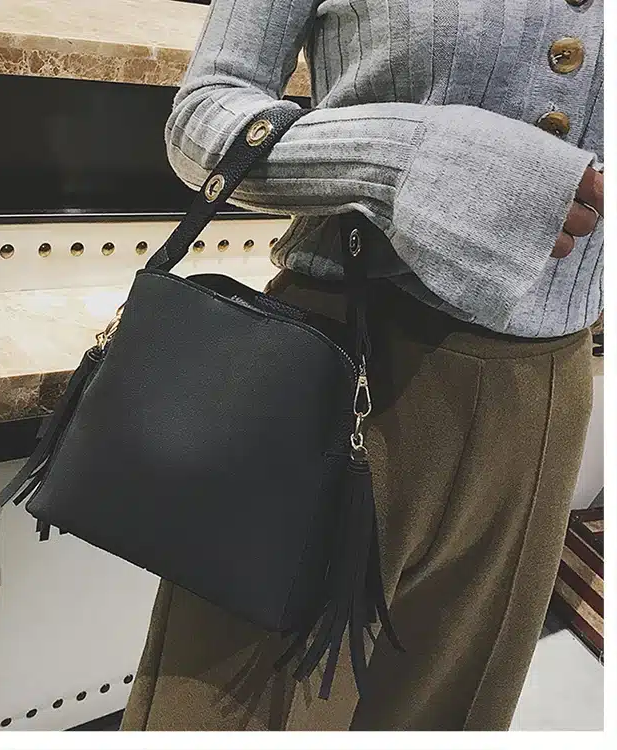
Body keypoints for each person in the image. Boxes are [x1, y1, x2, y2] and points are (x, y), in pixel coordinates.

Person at [121, 0, 603, 731]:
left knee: (448, 719)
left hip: (544, 400)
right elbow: (203, 119)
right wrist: (402, 156)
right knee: (225, 718)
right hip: (333, 365)